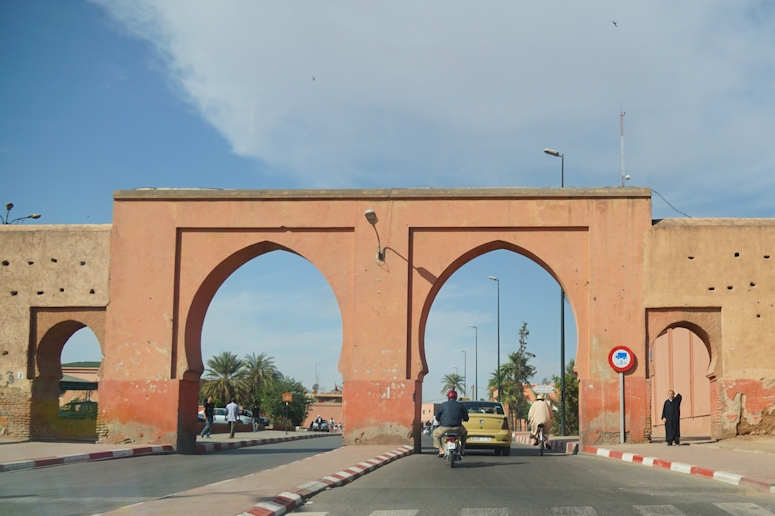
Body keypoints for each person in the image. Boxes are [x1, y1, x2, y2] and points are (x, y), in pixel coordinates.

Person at [432, 390, 469, 458]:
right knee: (465, 433)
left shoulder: (443, 405)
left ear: (448, 397)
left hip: (444, 428)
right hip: (458, 428)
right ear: (456, 397)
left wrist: (439, 420)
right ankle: (462, 450)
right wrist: (464, 419)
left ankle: (441, 450)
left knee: (435, 434)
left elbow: (437, 416)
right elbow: (466, 417)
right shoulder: (461, 405)